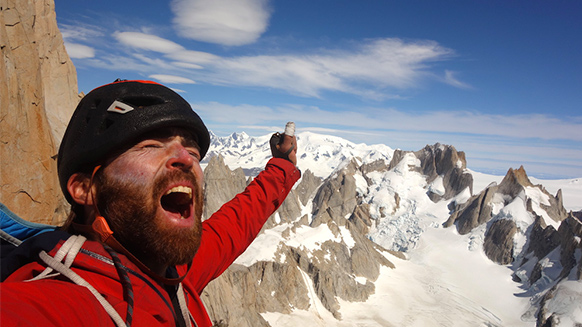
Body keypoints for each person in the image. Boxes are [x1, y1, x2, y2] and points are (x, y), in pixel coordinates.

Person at [0, 80, 300, 327]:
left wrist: (282, 166)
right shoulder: (55, 302)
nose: (186, 158)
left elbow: (234, 224)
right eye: (151, 146)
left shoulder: (173, 272)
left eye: (193, 151)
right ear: (85, 188)